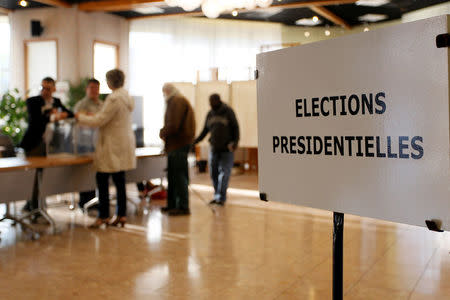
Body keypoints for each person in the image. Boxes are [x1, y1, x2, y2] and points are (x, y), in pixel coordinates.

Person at [76, 69, 136, 228]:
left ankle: (103, 216)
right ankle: (121, 214)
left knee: (102, 180)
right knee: (119, 180)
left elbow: (100, 120)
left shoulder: (114, 98)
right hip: (121, 143)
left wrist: (80, 117)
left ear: (110, 82)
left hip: (111, 144)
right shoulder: (126, 97)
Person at [20, 77, 73, 212]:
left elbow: (69, 113)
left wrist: (61, 114)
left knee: (44, 175)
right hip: (34, 143)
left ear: (54, 89)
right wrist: (53, 116)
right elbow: (36, 120)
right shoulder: (33, 101)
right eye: (42, 87)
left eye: (48, 88)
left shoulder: (56, 102)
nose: (44, 91)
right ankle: (31, 204)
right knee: (33, 176)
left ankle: (39, 203)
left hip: (51, 145)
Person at [193, 93, 239, 206]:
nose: (211, 104)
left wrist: (235, 143)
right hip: (214, 148)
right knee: (213, 173)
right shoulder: (210, 114)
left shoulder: (228, 111)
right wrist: (195, 141)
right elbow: (205, 130)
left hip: (226, 149)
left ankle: (221, 197)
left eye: (212, 102)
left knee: (224, 173)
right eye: (210, 102)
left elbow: (235, 128)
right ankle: (216, 195)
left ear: (218, 101)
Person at [159, 83, 196, 216]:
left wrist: (162, 132)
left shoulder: (177, 101)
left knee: (179, 176)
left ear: (168, 91)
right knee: (173, 176)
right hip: (176, 144)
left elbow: (174, 124)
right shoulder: (177, 100)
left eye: (164, 91)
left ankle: (183, 206)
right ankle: (172, 204)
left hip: (178, 144)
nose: (163, 94)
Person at [74, 78, 103, 211]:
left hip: (98, 142)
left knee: (94, 173)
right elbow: (78, 119)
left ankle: (93, 200)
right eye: (91, 88)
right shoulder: (81, 104)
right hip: (84, 143)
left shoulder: (102, 104)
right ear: (87, 89)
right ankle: (84, 201)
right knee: (85, 173)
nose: (94, 90)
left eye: (96, 88)